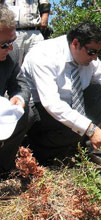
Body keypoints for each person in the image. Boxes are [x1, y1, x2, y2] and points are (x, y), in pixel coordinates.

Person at [22, 22, 101, 165]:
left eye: (98, 52)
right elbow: (52, 104)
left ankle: (93, 150)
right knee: (75, 130)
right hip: (40, 111)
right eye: (91, 52)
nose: (95, 57)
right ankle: (41, 147)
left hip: (68, 107)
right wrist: (90, 128)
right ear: (75, 43)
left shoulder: (91, 59)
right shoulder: (44, 54)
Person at [0, 4, 32, 174]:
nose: (11, 48)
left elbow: (21, 84)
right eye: (4, 44)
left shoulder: (11, 55)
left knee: (26, 113)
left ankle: (3, 167)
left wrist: (19, 98)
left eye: (12, 41)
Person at [4, 0, 51, 65]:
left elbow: (45, 4)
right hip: (14, 32)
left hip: (35, 32)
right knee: (13, 63)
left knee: (38, 62)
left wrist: (45, 18)